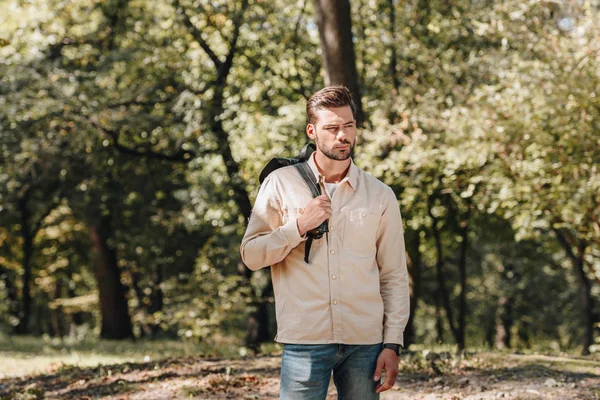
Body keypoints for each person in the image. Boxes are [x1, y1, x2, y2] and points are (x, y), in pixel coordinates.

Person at [240, 86, 410, 399]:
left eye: (349, 126)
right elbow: (251, 256)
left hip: (366, 343)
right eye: (332, 128)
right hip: (305, 339)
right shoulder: (281, 183)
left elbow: (394, 275)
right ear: (312, 131)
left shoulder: (380, 195)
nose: (342, 136)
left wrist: (392, 343)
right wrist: (299, 227)